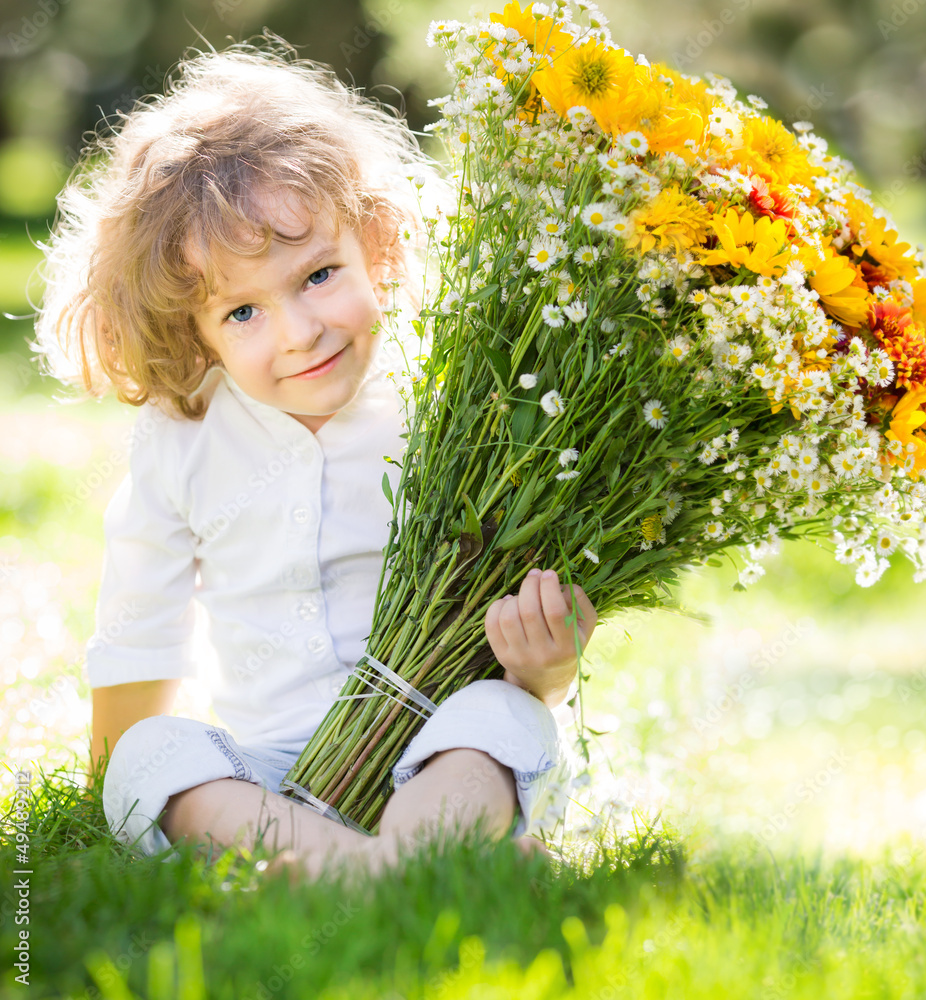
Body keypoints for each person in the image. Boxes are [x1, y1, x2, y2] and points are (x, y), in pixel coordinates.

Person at [33, 34, 598, 882]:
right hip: (265, 775)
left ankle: (352, 873)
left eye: (319, 274)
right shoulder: (181, 436)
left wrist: (545, 668)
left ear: (379, 241)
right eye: (243, 314)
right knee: (153, 758)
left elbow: (522, 649)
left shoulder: (451, 400)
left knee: (496, 719)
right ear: (191, 331)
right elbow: (137, 629)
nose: (300, 333)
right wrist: (117, 777)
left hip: (437, 746)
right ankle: (397, 870)